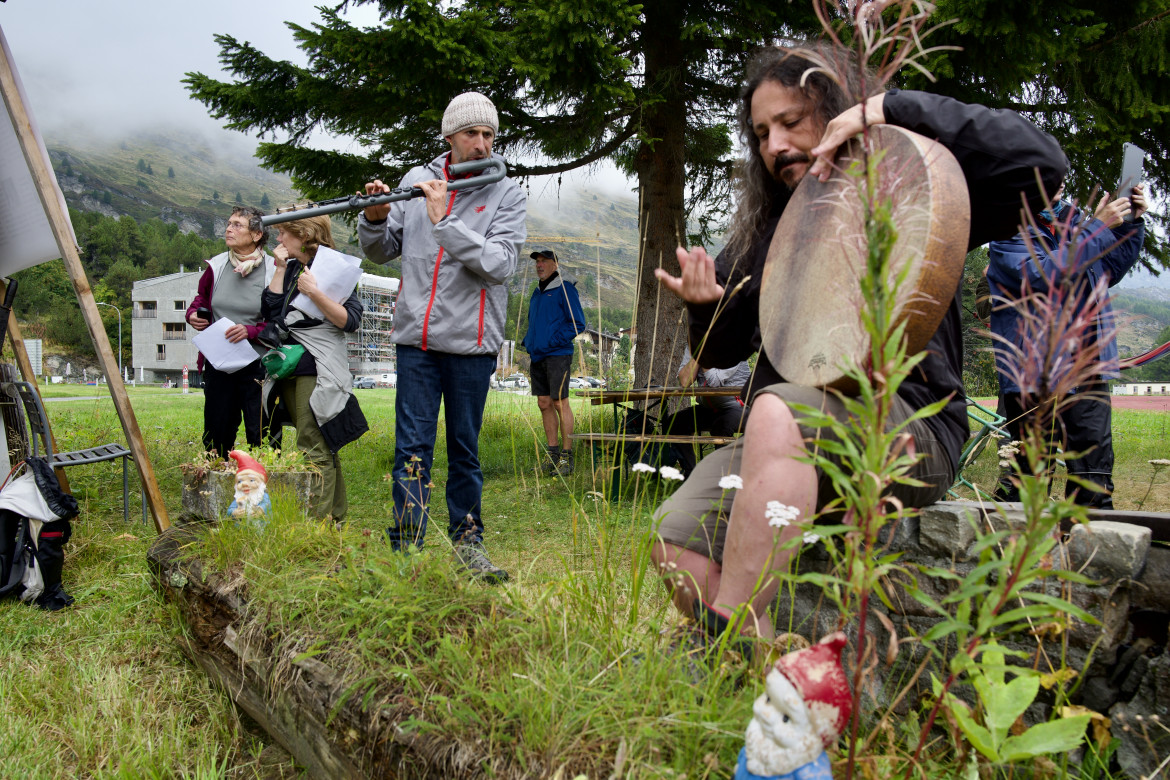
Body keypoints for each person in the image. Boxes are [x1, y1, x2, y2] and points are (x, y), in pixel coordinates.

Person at [650, 42, 1067, 645]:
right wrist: (703, 309)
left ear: (837, 105)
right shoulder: (771, 229)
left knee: (774, 409)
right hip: (784, 440)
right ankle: (765, 667)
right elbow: (721, 352)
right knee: (674, 537)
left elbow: (1042, 165)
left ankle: (724, 641)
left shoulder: (911, 178)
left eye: (790, 122)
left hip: (907, 428)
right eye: (762, 132)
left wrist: (889, 109)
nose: (774, 145)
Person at [358, 91, 526, 583]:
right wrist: (372, 218)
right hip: (416, 341)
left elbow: (500, 264)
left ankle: (468, 543)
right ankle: (407, 546)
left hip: (471, 346)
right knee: (410, 447)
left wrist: (446, 223)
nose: (481, 143)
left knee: (464, 449)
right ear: (449, 136)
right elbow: (383, 250)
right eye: (471, 133)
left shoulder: (507, 194)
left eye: (489, 134)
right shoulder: (417, 181)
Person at [988, 184, 1148, 509]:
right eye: (1049, 172)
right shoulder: (1009, 231)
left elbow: (1109, 268)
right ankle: (1020, 554)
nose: (1059, 181)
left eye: (1061, 174)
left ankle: (1090, 550)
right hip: (1038, 373)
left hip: (1089, 366)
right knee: (1029, 480)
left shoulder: (1076, 225)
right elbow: (1041, 273)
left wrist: (1131, 224)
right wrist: (1097, 229)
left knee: (1094, 476)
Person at [260, 215, 368, 524]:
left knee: (312, 444)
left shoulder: (333, 267)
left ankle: (317, 526)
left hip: (316, 368)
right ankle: (334, 516)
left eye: (283, 232)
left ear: (304, 233)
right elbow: (270, 311)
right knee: (321, 443)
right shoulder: (292, 267)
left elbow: (350, 321)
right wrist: (280, 269)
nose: (278, 239)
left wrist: (315, 292)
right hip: (290, 367)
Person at [187, 206, 275, 460]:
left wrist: (250, 331)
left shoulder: (272, 269)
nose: (229, 228)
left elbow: (279, 321)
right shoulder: (216, 265)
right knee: (217, 428)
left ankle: (263, 482)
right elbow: (201, 300)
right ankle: (215, 476)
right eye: (229, 223)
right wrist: (192, 314)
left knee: (259, 431)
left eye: (238, 224)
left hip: (258, 364)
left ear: (257, 234)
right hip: (219, 361)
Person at [521, 249, 588, 476]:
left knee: (560, 403)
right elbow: (534, 322)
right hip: (538, 355)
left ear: (555, 265)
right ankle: (552, 456)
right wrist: (529, 341)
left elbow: (578, 323)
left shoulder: (565, 289)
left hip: (558, 354)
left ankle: (567, 459)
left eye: (544, 261)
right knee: (543, 403)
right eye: (537, 262)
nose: (539, 265)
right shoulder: (537, 292)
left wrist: (552, 341)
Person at [660, 347, 751, 476]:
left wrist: (703, 351)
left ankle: (723, 476)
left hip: (739, 407)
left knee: (721, 426)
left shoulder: (734, 345)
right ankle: (691, 473)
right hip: (710, 409)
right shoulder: (694, 345)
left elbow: (714, 381)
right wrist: (698, 350)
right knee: (675, 422)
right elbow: (685, 381)